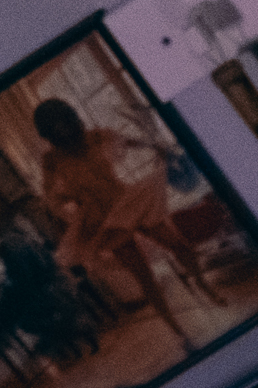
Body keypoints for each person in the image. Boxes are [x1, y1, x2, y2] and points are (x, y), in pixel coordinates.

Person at [29, 96, 215, 342]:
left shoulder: (95, 137)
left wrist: (154, 146)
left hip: (129, 201)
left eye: (64, 121)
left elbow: (125, 140)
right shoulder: (51, 160)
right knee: (144, 276)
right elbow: (51, 198)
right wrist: (71, 208)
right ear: (48, 132)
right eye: (55, 127)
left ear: (71, 118)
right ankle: (178, 331)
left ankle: (201, 282)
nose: (62, 129)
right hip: (104, 221)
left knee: (180, 245)